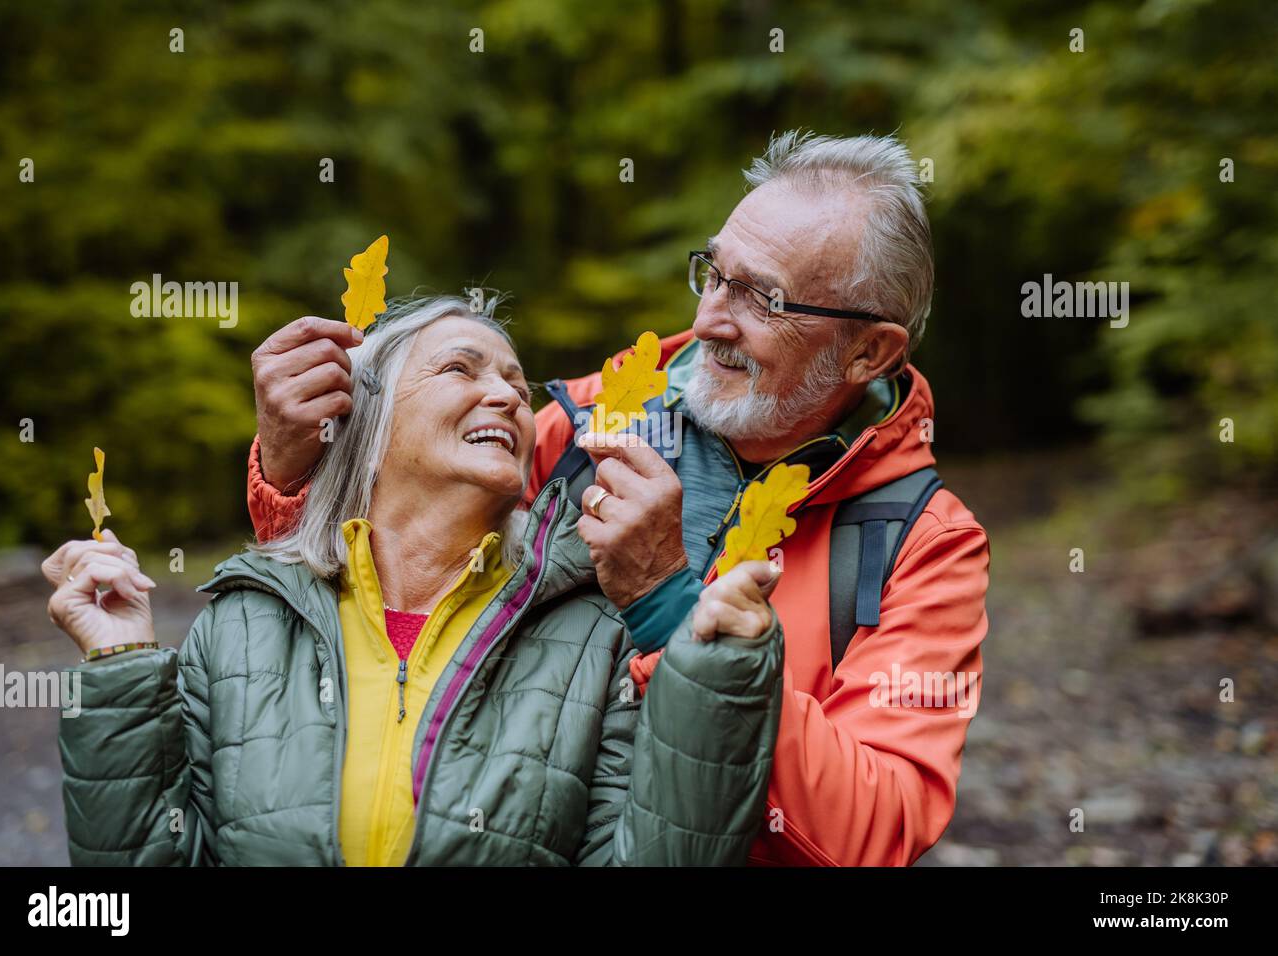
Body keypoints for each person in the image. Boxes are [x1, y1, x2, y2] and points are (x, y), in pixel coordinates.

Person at [246, 131, 991, 866]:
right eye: (713, 273)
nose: (707, 322)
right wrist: (290, 475)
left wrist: (674, 611)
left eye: (764, 299)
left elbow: (877, 824)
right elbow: (378, 587)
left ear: (870, 352)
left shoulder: (926, 543)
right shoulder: (586, 425)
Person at [45, 295, 784, 866]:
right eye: (461, 369)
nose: (504, 396)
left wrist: (718, 675)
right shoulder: (242, 624)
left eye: (515, 386)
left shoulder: (597, 638)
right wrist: (119, 671)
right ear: (364, 421)